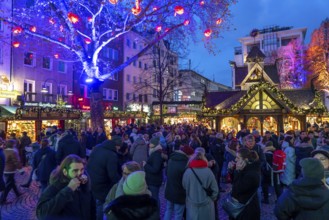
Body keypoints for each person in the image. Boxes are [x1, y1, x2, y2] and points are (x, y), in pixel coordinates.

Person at [36, 154, 95, 220]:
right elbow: (41, 214)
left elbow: (92, 209)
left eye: (82, 169)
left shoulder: (84, 186)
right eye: (75, 171)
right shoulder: (55, 187)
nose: (80, 173)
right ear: (65, 172)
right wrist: (68, 190)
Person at [87, 136, 122, 220]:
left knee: (93, 203)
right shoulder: (111, 155)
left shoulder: (98, 147)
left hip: (91, 179)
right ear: (117, 146)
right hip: (102, 184)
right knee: (101, 204)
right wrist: (120, 183)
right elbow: (113, 175)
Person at [182, 147, 218, 220]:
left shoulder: (188, 172)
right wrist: (212, 199)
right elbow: (215, 190)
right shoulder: (209, 172)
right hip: (207, 205)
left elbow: (184, 186)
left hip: (192, 205)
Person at [164, 145, 194, 220]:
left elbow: (166, 172)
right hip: (180, 193)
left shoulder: (171, 159)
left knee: (168, 210)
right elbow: (187, 181)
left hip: (169, 190)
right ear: (187, 154)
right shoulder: (186, 164)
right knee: (178, 214)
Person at [229, 148, 261, 220]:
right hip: (241, 208)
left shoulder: (252, 174)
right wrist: (231, 171)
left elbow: (236, 189)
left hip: (247, 211)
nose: (235, 160)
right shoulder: (245, 169)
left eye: (238, 158)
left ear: (245, 160)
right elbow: (235, 182)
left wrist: (237, 172)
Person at [0, 139, 24, 205]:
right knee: (8, 185)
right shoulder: (13, 152)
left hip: (5, 170)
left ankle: (17, 193)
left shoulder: (4, 151)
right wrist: (21, 170)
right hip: (10, 170)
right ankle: (2, 199)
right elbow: (16, 161)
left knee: (12, 182)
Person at [142, 136, 164, 206]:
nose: (149, 144)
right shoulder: (154, 152)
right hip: (152, 180)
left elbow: (155, 169)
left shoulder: (156, 154)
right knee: (154, 197)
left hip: (154, 181)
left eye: (150, 143)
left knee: (155, 198)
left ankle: (156, 213)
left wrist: (145, 165)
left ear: (154, 144)